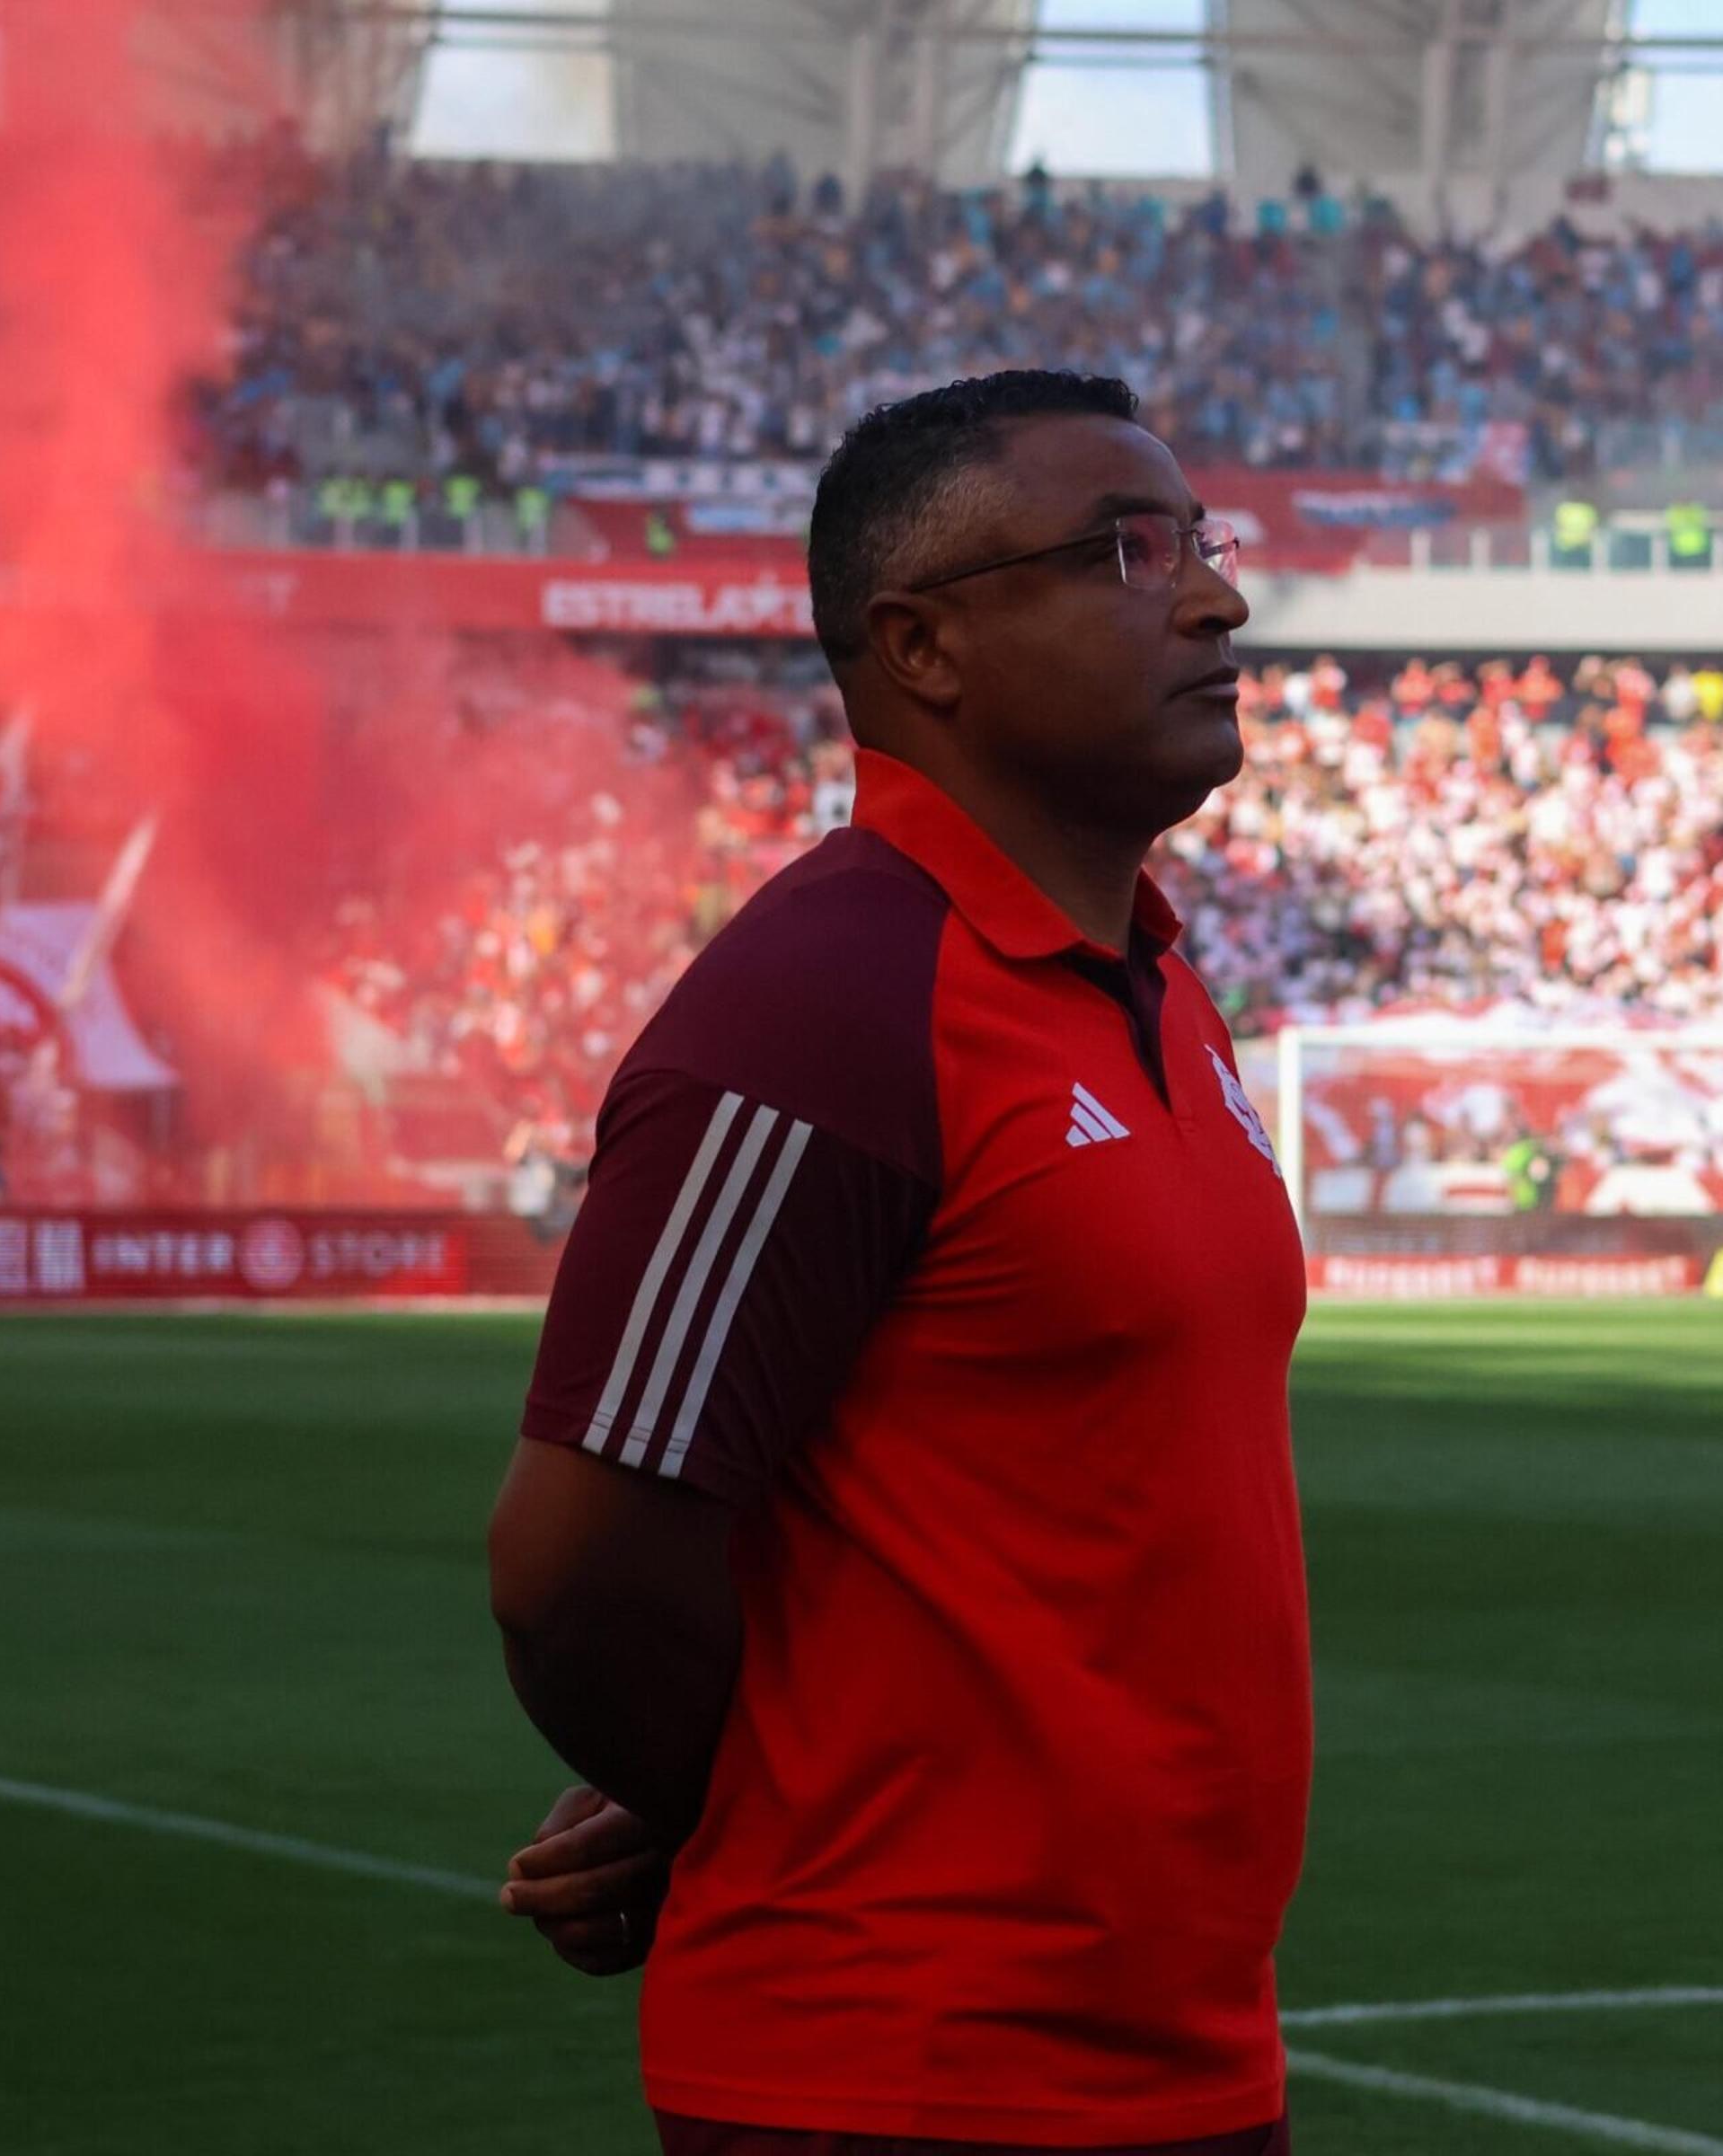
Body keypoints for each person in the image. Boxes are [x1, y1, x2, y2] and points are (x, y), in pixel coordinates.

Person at [486, 370, 1307, 2155]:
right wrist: (740, 1791)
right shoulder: (827, 1003)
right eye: (1125, 549)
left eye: (1203, 542)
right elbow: (577, 1559)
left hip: (1185, 2065)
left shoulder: (1161, 990)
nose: (1216, 597)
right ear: (920, 647)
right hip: (895, 2077)